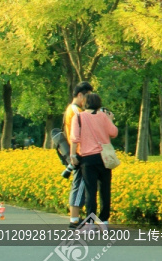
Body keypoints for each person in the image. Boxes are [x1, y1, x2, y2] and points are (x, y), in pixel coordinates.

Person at [69, 92, 117, 228]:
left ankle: (90, 222)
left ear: (85, 103)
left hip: (88, 159)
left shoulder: (78, 118)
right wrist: (111, 119)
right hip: (105, 158)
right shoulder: (103, 117)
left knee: (90, 191)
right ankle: (104, 221)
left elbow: (74, 139)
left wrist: (73, 156)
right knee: (105, 189)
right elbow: (113, 133)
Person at [64, 81, 93, 228]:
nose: (88, 101)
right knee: (80, 185)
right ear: (80, 95)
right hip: (81, 153)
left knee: (79, 185)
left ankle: (75, 217)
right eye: (87, 97)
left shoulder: (72, 110)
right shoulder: (76, 112)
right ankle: (74, 219)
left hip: (79, 151)